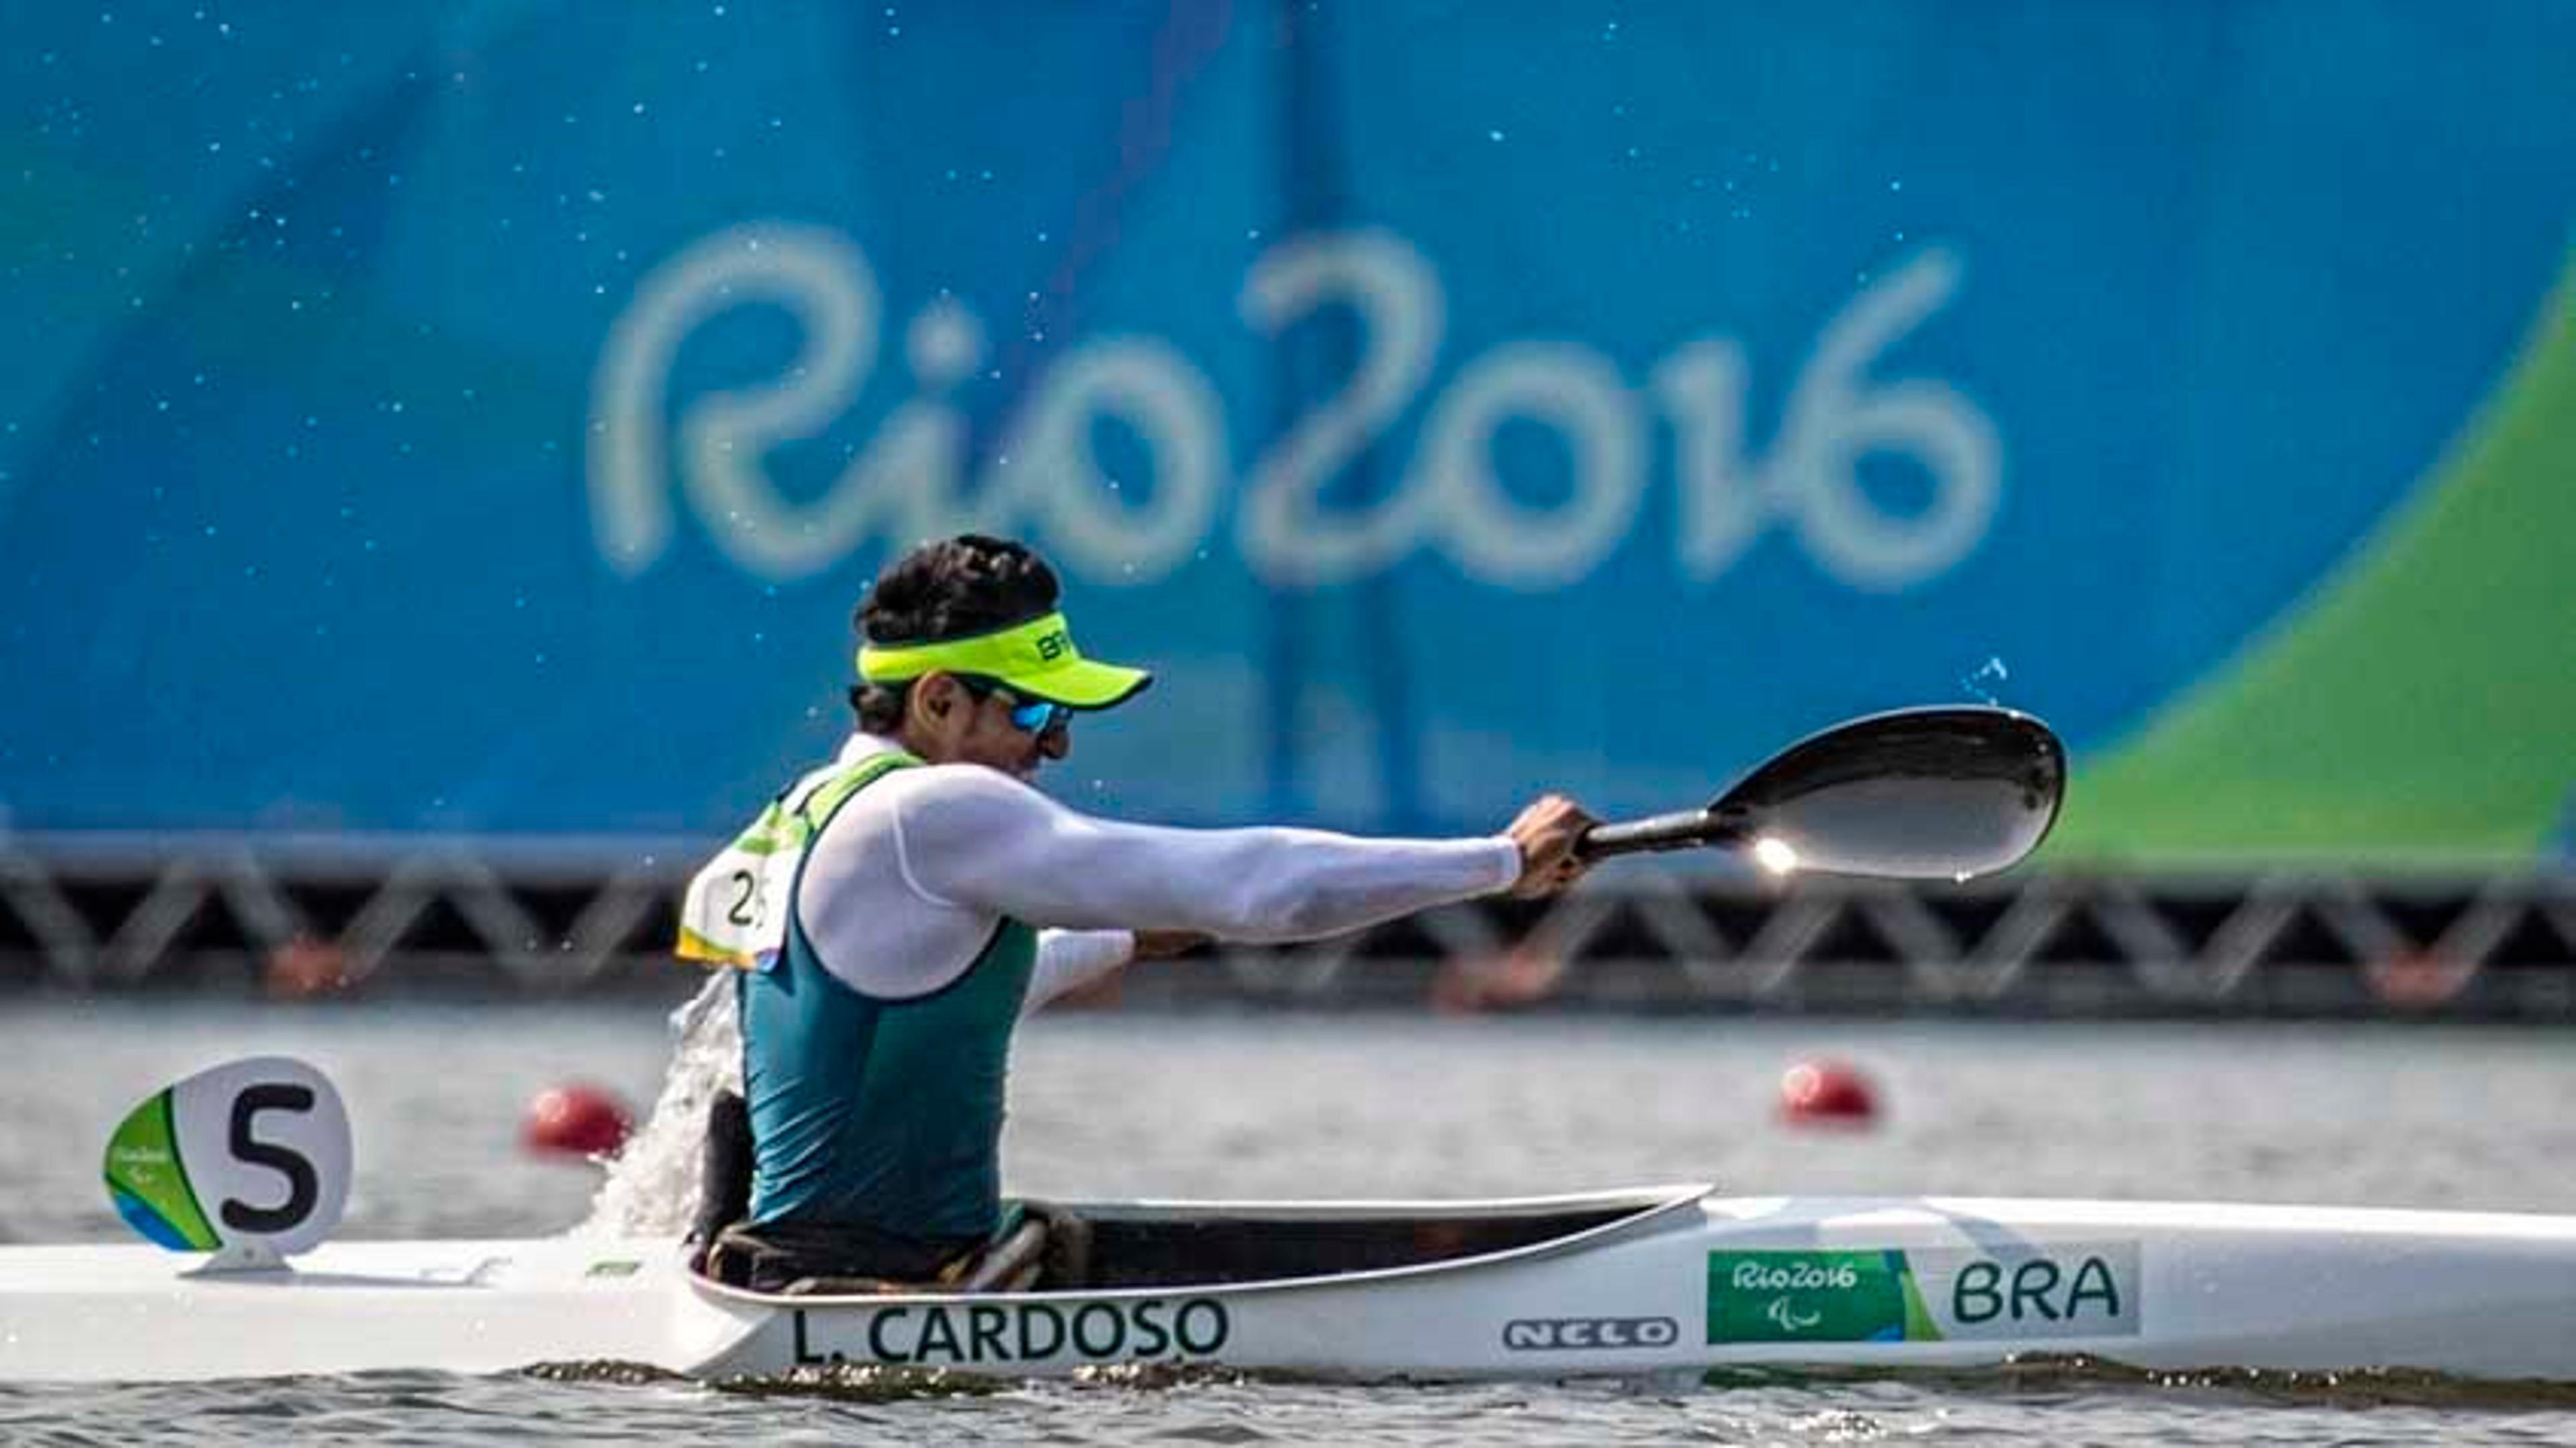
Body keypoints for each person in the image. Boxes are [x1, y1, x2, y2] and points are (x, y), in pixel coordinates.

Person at [676, 533, 1597, 1292]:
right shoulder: (933, 810)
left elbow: (893, 1017)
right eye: (1034, 710)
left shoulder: (803, 810)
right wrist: (1499, 863)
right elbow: (1260, 885)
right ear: (939, 699)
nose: (1059, 742)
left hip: (796, 1273)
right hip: (871, 1295)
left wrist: (1120, 938)